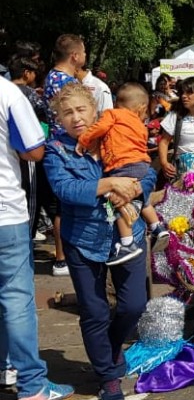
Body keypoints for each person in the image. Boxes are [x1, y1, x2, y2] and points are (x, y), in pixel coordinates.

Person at [44, 82, 153, 400]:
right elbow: (66, 190)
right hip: (83, 241)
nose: (76, 118)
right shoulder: (56, 150)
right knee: (94, 312)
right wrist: (108, 182)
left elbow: (146, 171)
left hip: (128, 235)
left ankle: (108, 348)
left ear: (95, 110)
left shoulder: (116, 131)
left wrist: (134, 190)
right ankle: (108, 376)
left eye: (81, 110)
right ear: (59, 120)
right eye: (67, 113)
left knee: (134, 305)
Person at [0, 76, 75, 400]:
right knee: (15, 298)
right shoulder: (6, 92)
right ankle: (31, 383)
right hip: (5, 212)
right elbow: (33, 150)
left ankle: (6, 367)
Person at [77, 82, 169, 265]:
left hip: (122, 165)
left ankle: (127, 244)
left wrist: (84, 139)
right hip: (142, 164)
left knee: (118, 201)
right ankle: (157, 227)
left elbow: (100, 128)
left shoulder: (112, 114)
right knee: (142, 198)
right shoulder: (139, 124)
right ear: (141, 108)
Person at [44, 33, 86, 277]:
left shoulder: (52, 77)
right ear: (75, 56)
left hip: (61, 145)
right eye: (83, 53)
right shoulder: (65, 81)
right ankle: (63, 258)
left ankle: (64, 256)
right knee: (65, 204)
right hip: (69, 147)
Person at [9, 56, 48, 239]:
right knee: (30, 198)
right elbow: (45, 114)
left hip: (9, 154)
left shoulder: (6, 92)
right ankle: (28, 237)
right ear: (26, 73)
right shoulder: (28, 94)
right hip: (27, 151)